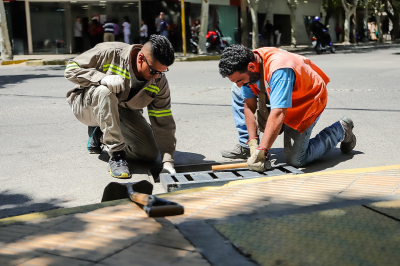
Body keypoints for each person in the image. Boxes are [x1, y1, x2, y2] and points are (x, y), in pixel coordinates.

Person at [218, 45, 356, 171]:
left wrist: (262, 151)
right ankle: (246, 146)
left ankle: (341, 129)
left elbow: (278, 113)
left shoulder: (279, 69)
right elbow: (249, 106)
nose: (240, 84)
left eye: (240, 80)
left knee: (297, 159)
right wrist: (254, 144)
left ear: (251, 67)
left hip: (306, 101)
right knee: (237, 90)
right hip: (278, 96)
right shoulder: (250, 64)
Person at [65, 35, 177, 178]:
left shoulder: (158, 80)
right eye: (154, 71)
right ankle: (116, 156)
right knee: (105, 91)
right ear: (141, 58)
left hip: (120, 110)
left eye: (162, 72)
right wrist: (101, 78)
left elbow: (163, 120)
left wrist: (168, 162)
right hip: (87, 106)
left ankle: (100, 134)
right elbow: (71, 68)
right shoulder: (110, 52)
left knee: (148, 153)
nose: (157, 77)